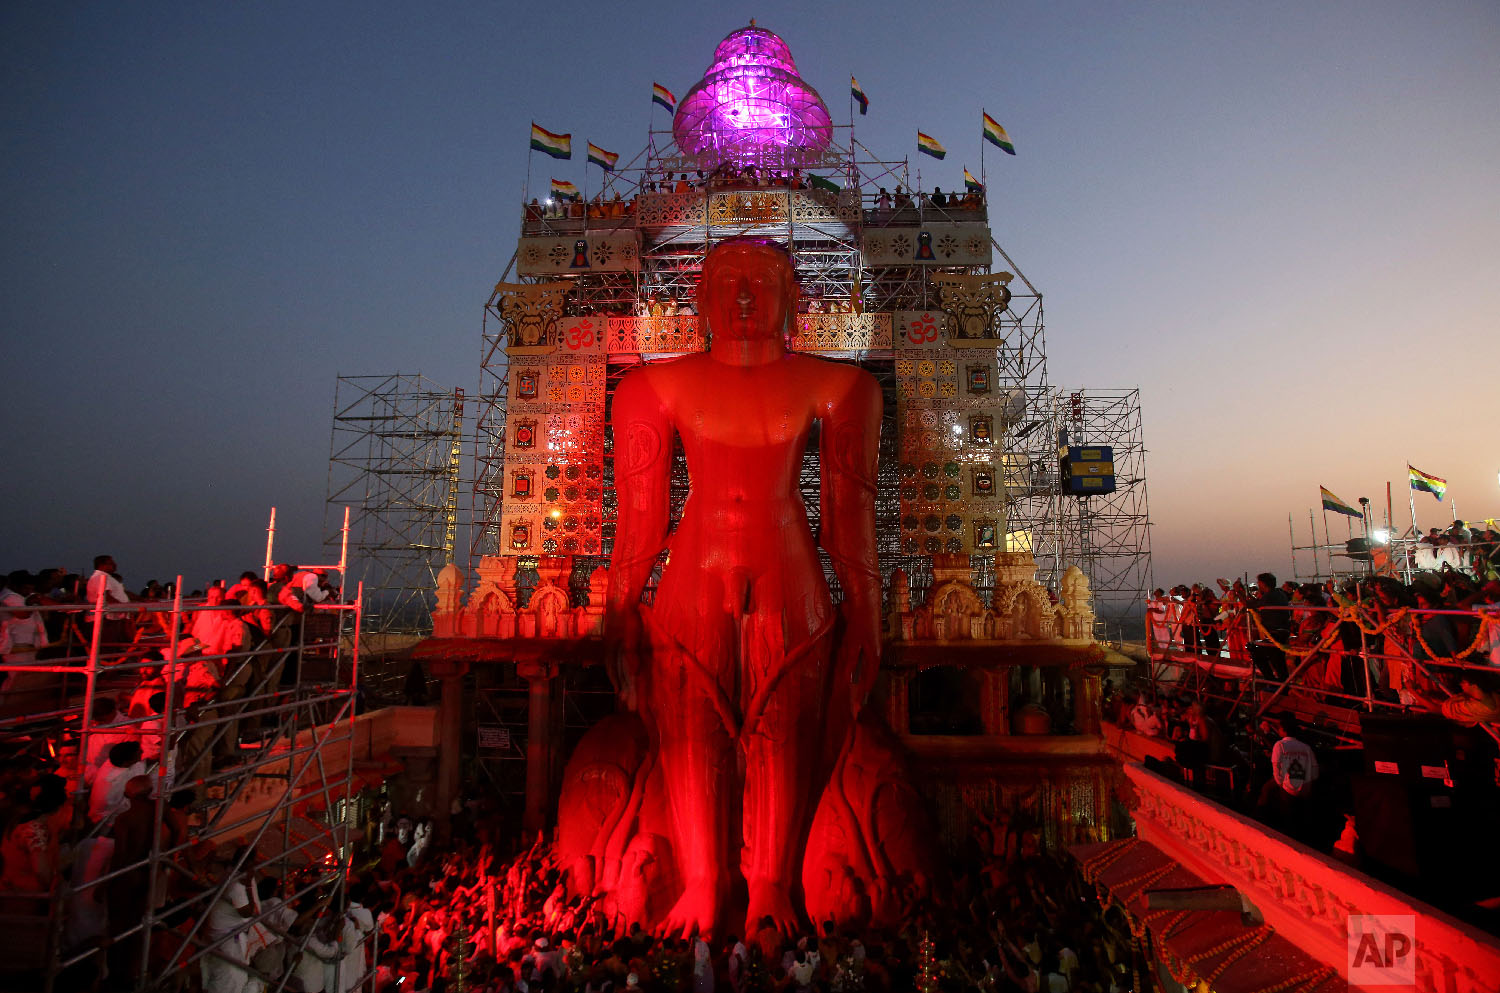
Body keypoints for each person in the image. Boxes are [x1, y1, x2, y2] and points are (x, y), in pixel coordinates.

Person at [606, 238, 883, 938]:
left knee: (787, 729)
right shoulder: (649, 388)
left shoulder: (843, 387)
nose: (743, 299)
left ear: (794, 300)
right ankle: (703, 880)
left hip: (792, 579)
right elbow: (641, 522)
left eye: (761, 283)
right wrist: (618, 614)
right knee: (692, 734)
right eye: (727, 283)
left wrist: (868, 617)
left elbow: (849, 518)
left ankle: (771, 883)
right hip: (690, 587)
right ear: (699, 299)